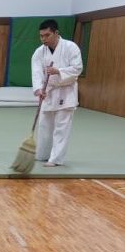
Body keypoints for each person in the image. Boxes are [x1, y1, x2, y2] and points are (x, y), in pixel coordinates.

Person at [32, 19, 83, 167]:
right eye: (41, 36)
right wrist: (38, 90)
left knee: (61, 127)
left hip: (65, 92)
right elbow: (36, 73)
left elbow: (77, 69)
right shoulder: (39, 52)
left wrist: (59, 71)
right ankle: (43, 154)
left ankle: (55, 159)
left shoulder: (71, 47)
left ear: (56, 33)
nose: (43, 39)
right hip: (47, 92)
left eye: (47, 35)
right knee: (44, 126)